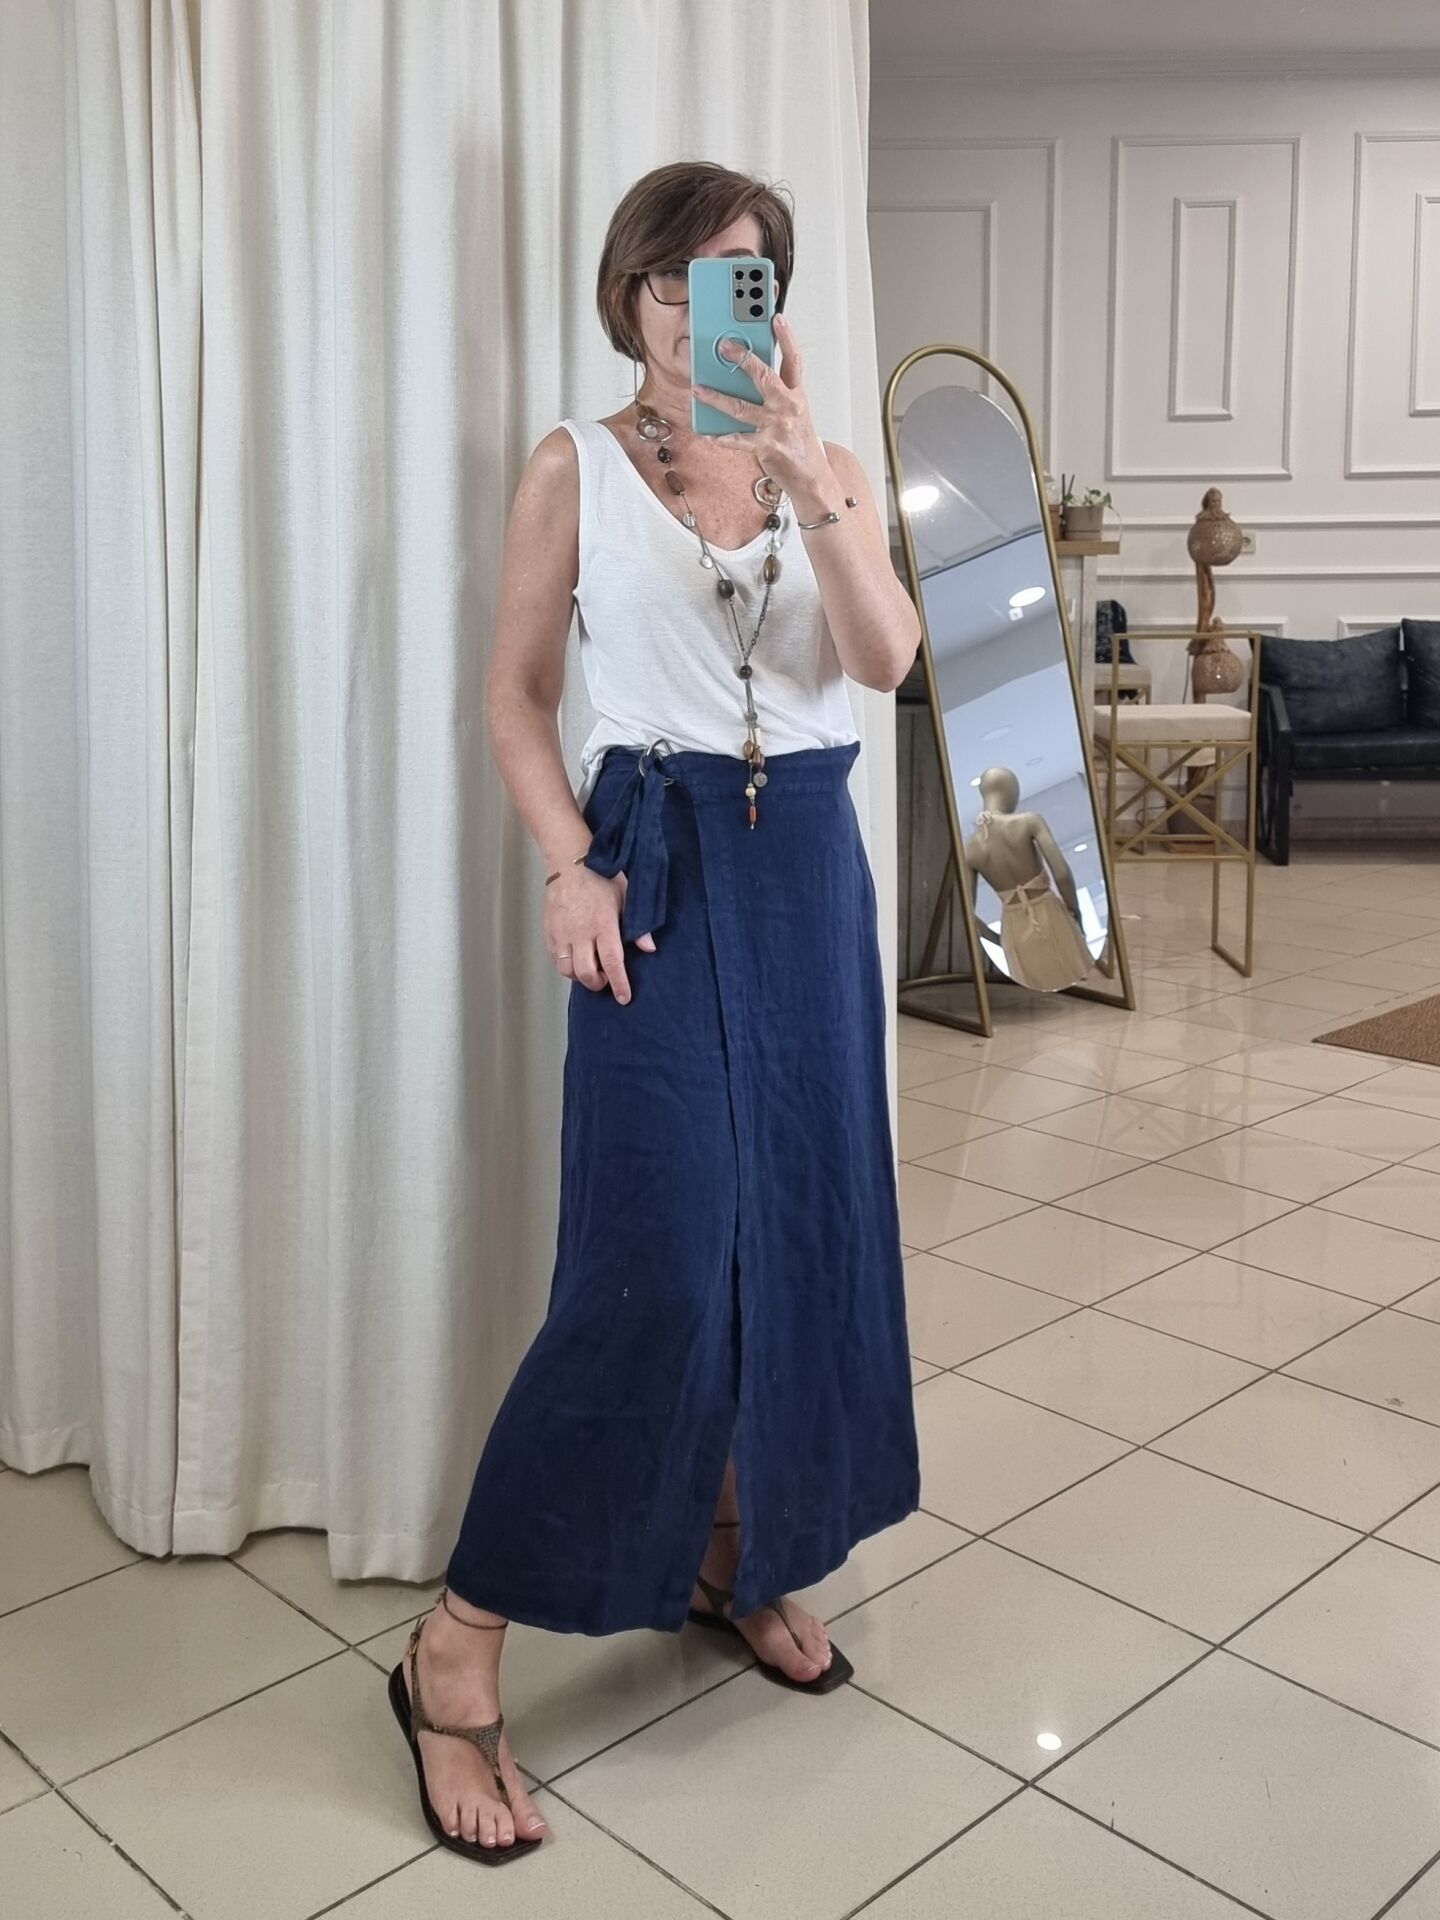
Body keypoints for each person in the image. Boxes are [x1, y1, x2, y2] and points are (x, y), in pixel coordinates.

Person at [389, 160, 923, 1864]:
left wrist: (811, 481)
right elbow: (515, 694)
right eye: (676, 278)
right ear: (629, 295)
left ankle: (737, 1547)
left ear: (775, 303)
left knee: (806, 1233)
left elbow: (886, 662)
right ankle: (455, 1645)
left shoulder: (825, 464)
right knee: (661, 1259)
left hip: (806, 867)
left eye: (738, 278)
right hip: (654, 864)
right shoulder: (576, 464)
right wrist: (569, 862)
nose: (702, 309)